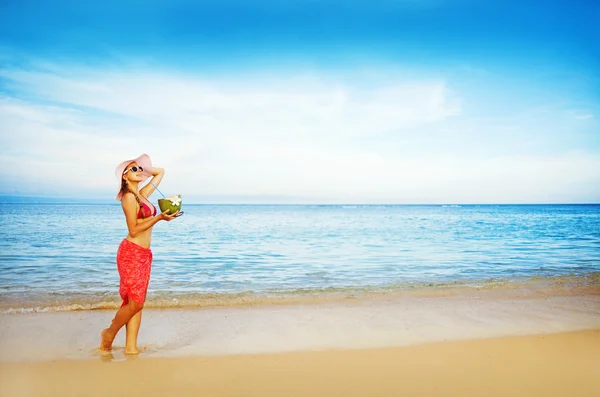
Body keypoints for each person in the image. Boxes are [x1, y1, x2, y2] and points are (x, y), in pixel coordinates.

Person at [100, 154, 180, 354]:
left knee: (135, 302)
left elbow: (160, 172)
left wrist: (141, 169)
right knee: (135, 302)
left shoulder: (142, 194)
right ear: (124, 177)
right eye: (133, 169)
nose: (139, 171)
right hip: (131, 253)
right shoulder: (128, 198)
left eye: (139, 169)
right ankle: (109, 333)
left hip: (144, 253)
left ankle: (130, 347)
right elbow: (134, 230)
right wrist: (159, 218)